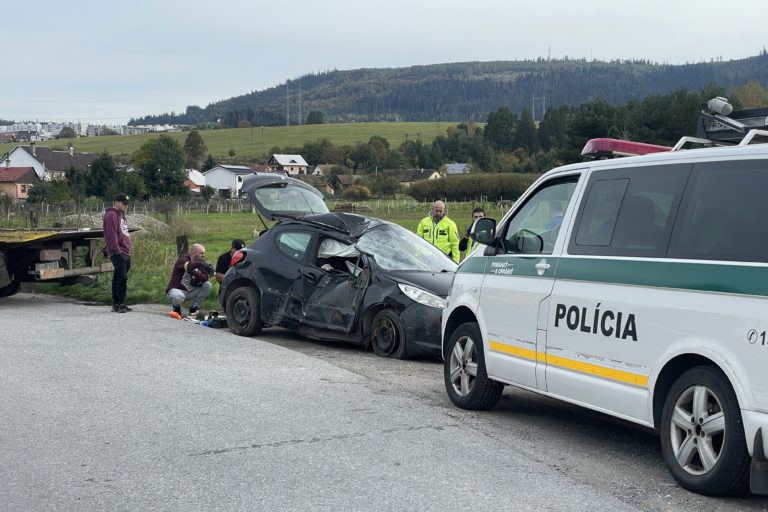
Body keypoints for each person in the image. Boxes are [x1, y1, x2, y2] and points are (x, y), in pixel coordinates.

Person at [166, 243, 214, 317]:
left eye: (204, 253)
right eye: (201, 253)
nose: (203, 255)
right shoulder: (182, 260)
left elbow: (205, 277)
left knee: (208, 285)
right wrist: (201, 265)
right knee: (179, 296)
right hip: (176, 291)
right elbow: (189, 266)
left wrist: (198, 274)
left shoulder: (201, 262)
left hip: (189, 291)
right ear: (193, 253)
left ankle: (194, 308)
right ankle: (176, 309)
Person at [103, 193, 132, 313]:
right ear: (116, 203)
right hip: (118, 251)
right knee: (122, 277)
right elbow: (111, 235)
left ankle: (117, 303)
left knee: (118, 276)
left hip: (126, 250)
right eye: (124, 204)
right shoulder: (111, 215)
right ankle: (120, 303)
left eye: (127, 205)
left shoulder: (121, 215)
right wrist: (117, 251)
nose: (126, 206)